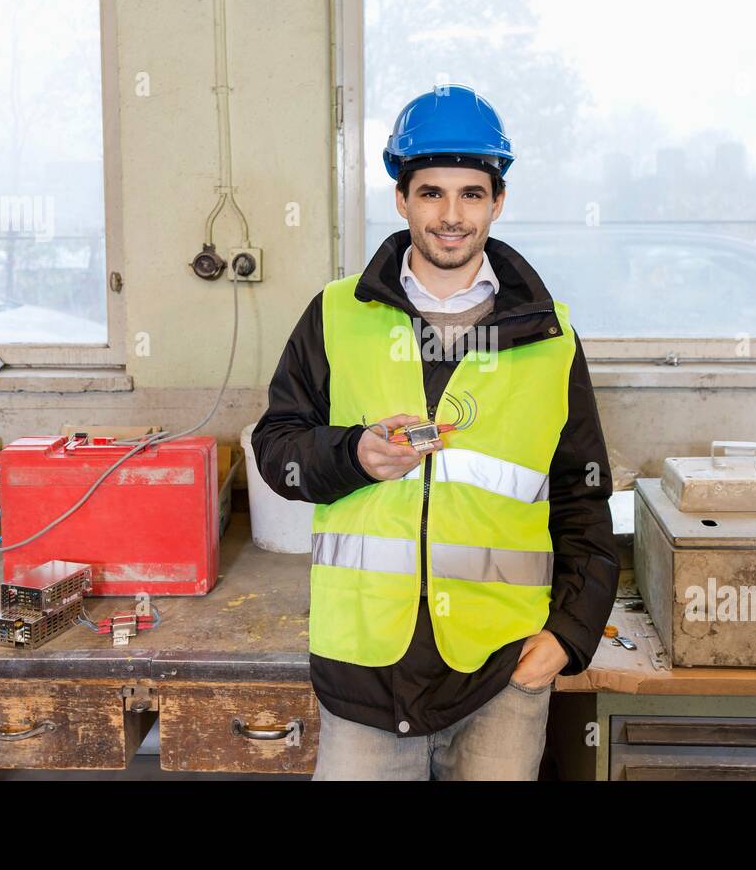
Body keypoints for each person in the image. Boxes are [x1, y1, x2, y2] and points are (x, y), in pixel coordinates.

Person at [251, 84, 617, 780]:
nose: (451, 217)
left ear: (497, 202)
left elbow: (582, 495)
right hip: (365, 667)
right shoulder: (336, 314)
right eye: (431, 193)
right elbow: (277, 452)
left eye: (471, 194)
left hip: (500, 667)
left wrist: (569, 634)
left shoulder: (550, 336)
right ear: (401, 198)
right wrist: (351, 453)